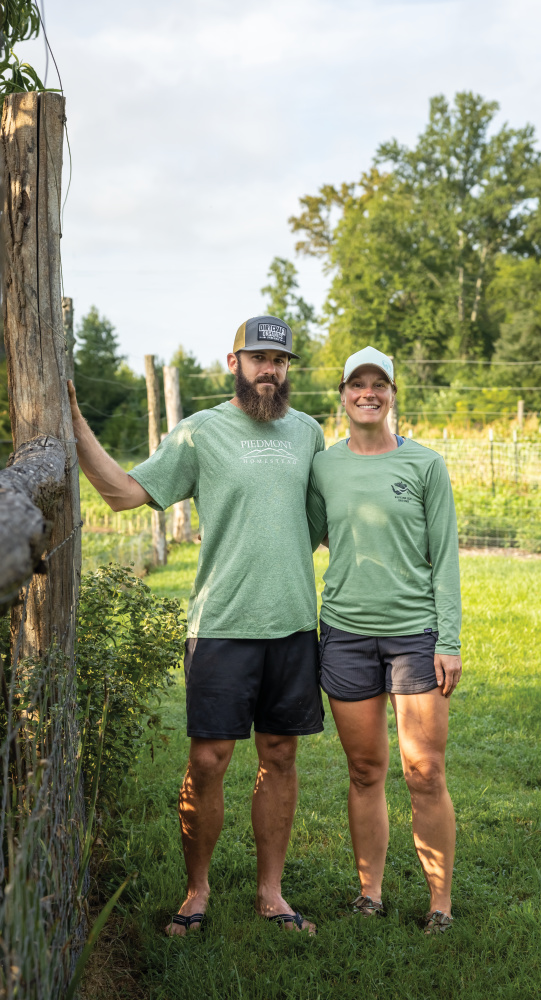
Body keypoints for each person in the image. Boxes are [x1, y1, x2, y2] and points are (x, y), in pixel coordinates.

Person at [68, 315, 325, 936]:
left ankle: (271, 893)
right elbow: (126, 494)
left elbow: (324, 519)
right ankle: (196, 891)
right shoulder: (200, 432)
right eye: (260, 358)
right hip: (222, 625)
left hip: (292, 623)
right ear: (233, 362)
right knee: (209, 760)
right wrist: (74, 426)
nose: (272, 371)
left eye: (282, 361)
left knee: (281, 756)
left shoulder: (309, 433)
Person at [307, 346, 462, 934]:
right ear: (343, 395)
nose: (367, 393)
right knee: (366, 770)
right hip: (344, 634)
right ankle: (369, 892)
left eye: (379, 384)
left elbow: (444, 558)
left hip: (415, 638)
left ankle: (440, 903)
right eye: (356, 384)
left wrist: (447, 639)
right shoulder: (324, 466)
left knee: (424, 771)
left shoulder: (426, 465)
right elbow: (308, 534)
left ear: (393, 393)